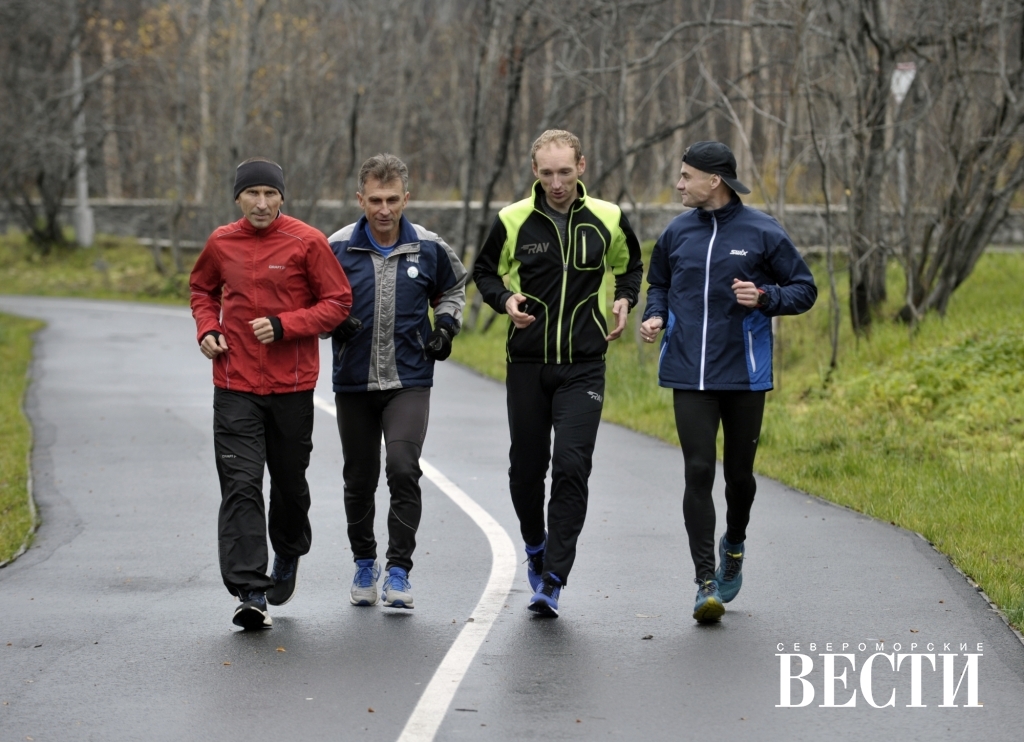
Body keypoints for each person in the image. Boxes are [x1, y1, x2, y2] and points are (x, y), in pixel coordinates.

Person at [640, 141, 817, 623]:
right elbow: (659, 285)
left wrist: (763, 295)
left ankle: (733, 543)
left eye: (685, 176)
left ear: (713, 181)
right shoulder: (677, 233)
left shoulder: (762, 231)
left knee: (738, 477)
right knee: (698, 471)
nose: (678, 184)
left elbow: (805, 290)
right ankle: (704, 582)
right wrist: (655, 316)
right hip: (687, 373)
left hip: (742, 374)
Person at [473, 129, 643, 618]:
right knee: (526, 471)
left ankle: (553, 577)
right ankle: (533, 544)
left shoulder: (608, 218)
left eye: (565, 172)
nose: (556, 183)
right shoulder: (513, 219)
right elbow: (484, 272)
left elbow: (631, 265)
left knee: (572, 465)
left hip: (585, 364)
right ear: (534, 172)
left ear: (581, 166)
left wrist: (624, 298)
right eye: (546, 173)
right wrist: (505, 300)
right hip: (527, 362)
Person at [190, 157, 352, 629]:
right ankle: (250, 591)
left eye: (270, 194)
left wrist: (285, 326)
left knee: (287, 484)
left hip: (292, 387)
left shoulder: (308, 242)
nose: (261, 203)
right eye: (252, 194)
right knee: (240, 486)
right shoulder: (222, 242)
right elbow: (202, 289)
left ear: (282, 198)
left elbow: (338, 303)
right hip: (234, 383)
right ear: (238, 198)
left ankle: (288, 549)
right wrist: (206, 328)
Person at [327, 154, 467, 609]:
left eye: (392, 200)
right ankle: (365, 563)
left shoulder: (428, 247)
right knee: (359, 477)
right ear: (359, 198)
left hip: (409, 379)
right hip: (354, 381)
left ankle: (400, 572)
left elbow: (453, 288)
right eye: (374, 200)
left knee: (404, 469)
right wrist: (335, 321)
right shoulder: (336, 247)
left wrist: (445, 326)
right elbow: (312, 297)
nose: (383, 210)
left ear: (407, 198)